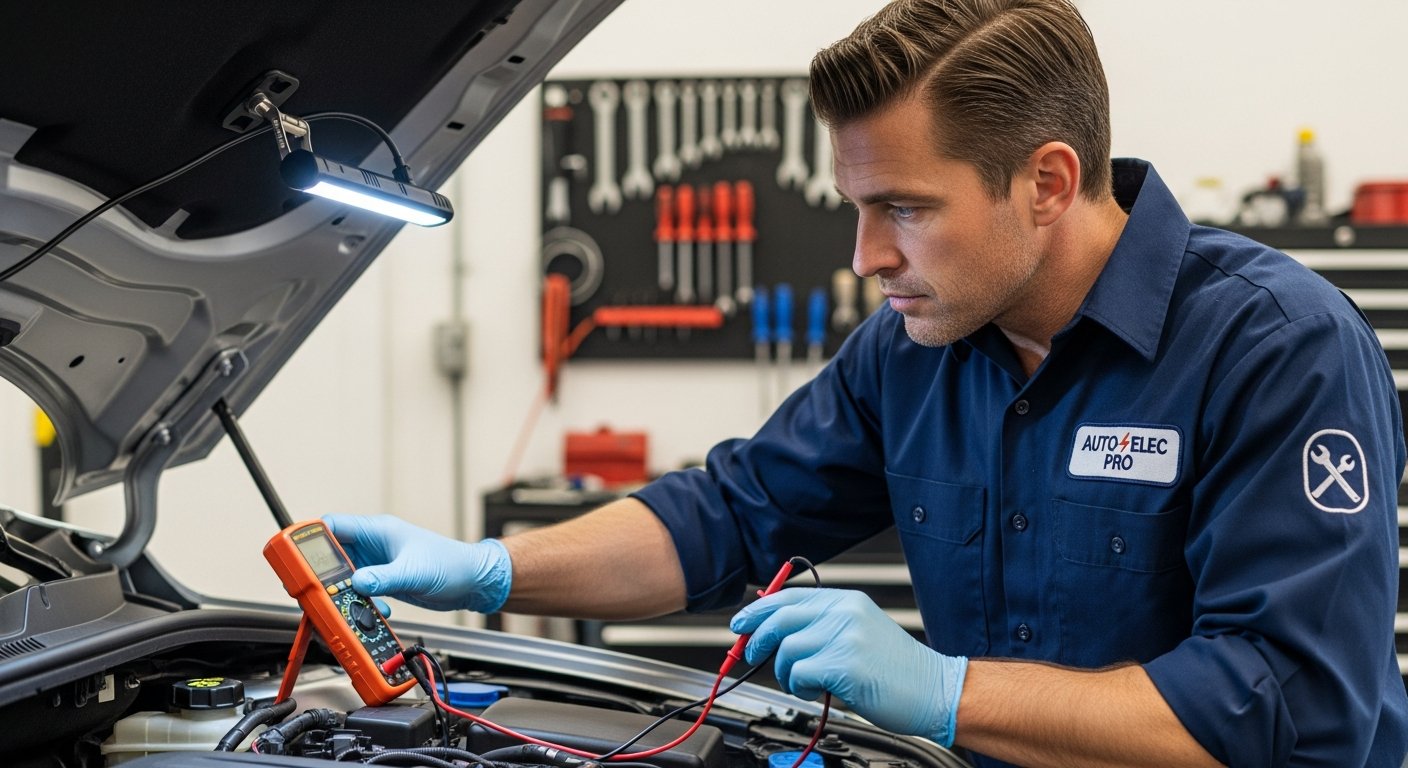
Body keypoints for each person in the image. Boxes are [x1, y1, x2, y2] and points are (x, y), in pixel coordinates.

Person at [325, 1, 1408, 765]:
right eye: (858, 207)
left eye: (905, 208)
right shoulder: (913, 349)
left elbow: (1282, 713)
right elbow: (727, 514)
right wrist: (486, 571)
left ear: (1047, 182)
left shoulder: (1278, 349)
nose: (865, 256)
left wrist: (947, 690)